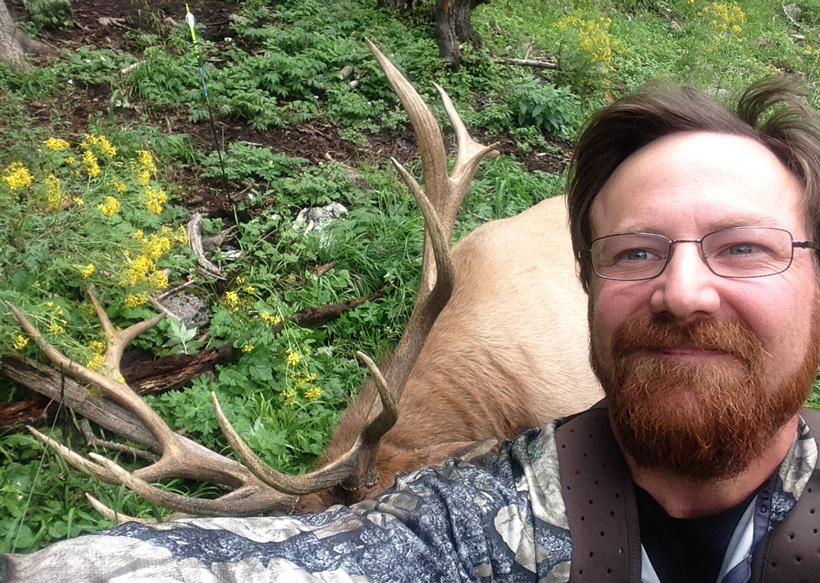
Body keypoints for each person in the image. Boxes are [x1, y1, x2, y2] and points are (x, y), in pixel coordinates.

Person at [2, 77, 818, 583]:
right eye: (634, 251)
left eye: (744, 248)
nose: (683, 291)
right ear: (586, 281)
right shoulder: (477, 512)